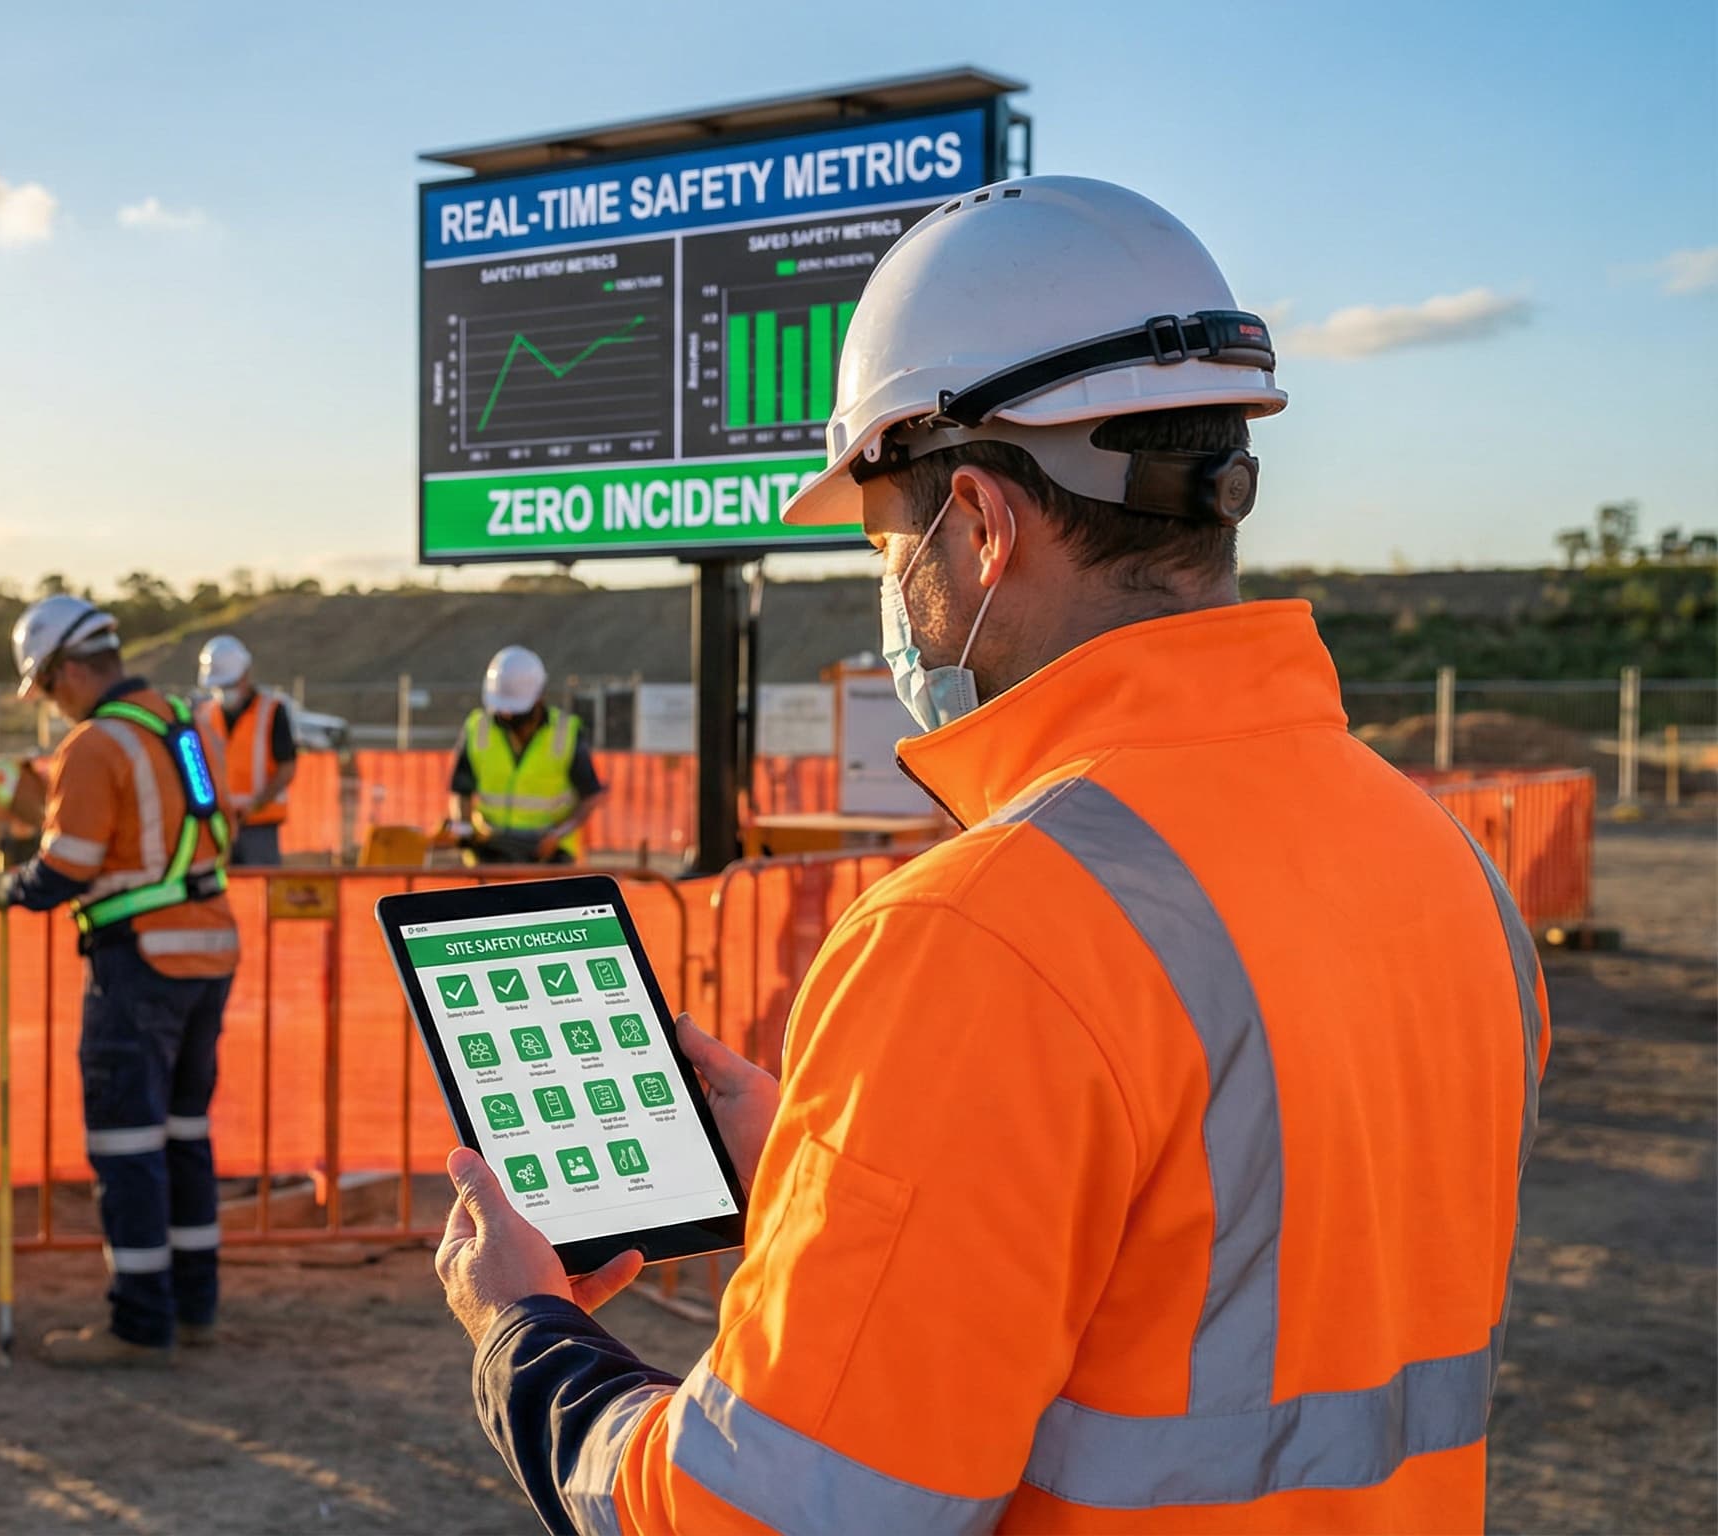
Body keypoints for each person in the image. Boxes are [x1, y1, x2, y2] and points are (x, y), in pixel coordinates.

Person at [437, 176, 1548, 1533]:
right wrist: (820, 1159)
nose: (887, 580)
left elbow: (765, 1516)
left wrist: (525, 1334)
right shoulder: (1442, 867)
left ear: (974, 523)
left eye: (877, 533)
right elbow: (1225, 1253)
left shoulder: (986, 935)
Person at [0, 594, 237, 1367]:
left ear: (66, 669)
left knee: (127, 1145)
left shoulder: (96, 744)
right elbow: (198, 831)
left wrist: (8, 886)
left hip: (139, 964)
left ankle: (139, 1327)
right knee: (184, 1139)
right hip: (211, 951)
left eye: (47, 687)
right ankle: (195, 1310)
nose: (51, 705)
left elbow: (69, 866)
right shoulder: (183, 726)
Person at [447, 646, 604, 865]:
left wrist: (557, 835)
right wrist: (463, 828)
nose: (508, 715)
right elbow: (460, 789)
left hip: (548, 853)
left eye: (515, 710)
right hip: (490, 848)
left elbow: (591, 796)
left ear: (539, 696)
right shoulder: (477, 728)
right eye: (503, 709)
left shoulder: (566, 733)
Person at [192, 634, 298, 867]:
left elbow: (287, 768)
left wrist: (257, 803)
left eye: (229, 684)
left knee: (261, 893)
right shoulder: (204, 715)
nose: (224, 690)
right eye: (219, 686)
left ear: (245, 675)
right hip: (217, 823)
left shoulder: (271, 711)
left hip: (260, 825)